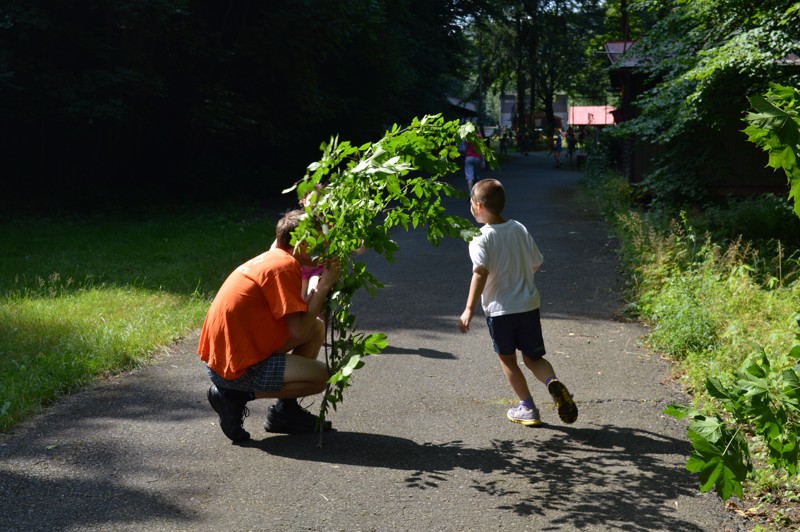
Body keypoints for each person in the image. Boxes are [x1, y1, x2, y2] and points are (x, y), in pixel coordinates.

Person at [199, 209, 342, 443]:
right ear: (301, 243)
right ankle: (234, 396)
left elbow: (303, 326)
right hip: (234, 371)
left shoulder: (274, 256)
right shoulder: (284, 267)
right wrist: (324, 286)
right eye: (316, 239)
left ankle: (285, 413)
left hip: (224, 358)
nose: (321, 247)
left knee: (316, 327)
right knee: (323, 377)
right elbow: (298, 331)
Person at [457, 179, 578, 427]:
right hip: (527, 306)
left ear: (479, 206)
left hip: (501, 310)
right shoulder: (519, 228)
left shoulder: (480, 237)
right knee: (533, 358)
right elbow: (536, 262)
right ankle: (552, 382)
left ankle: (528, 408)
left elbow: (479, 272)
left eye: (471, 203)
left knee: (508, 359)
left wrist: (469, 309)